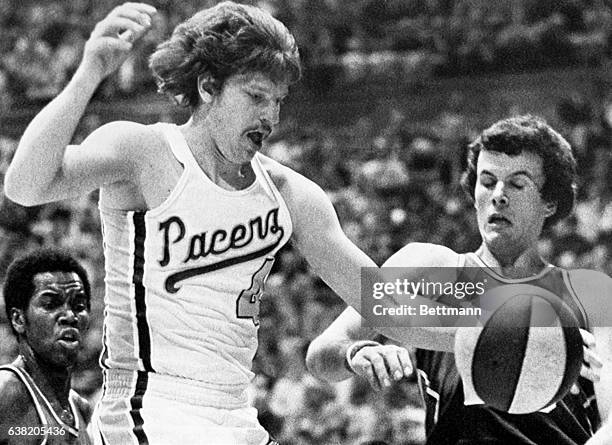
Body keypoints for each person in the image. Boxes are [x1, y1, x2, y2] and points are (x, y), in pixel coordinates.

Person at [3, 2, 411, 444]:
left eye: (277, 102)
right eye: (256, 96)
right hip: (150, 409)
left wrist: (494, 296)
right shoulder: (145, 153)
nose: (269, 117)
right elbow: (25, 185)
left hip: (237, 416)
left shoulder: (289, 194)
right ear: (207, 87)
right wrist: (89, 74)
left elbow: (383, 298)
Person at [306, 115, 612, 444]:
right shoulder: (428, 267)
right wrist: (354, 354)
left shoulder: (589, 291)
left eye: (518, 184)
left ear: (550, 202)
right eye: (487, 180)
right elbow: (321, 356)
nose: (498, 195)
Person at [0, 248, 92, 444]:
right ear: (18, 320)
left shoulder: (82, 410)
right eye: (51, 304)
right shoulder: (4, 392)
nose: (69, 316)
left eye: (79, 306)